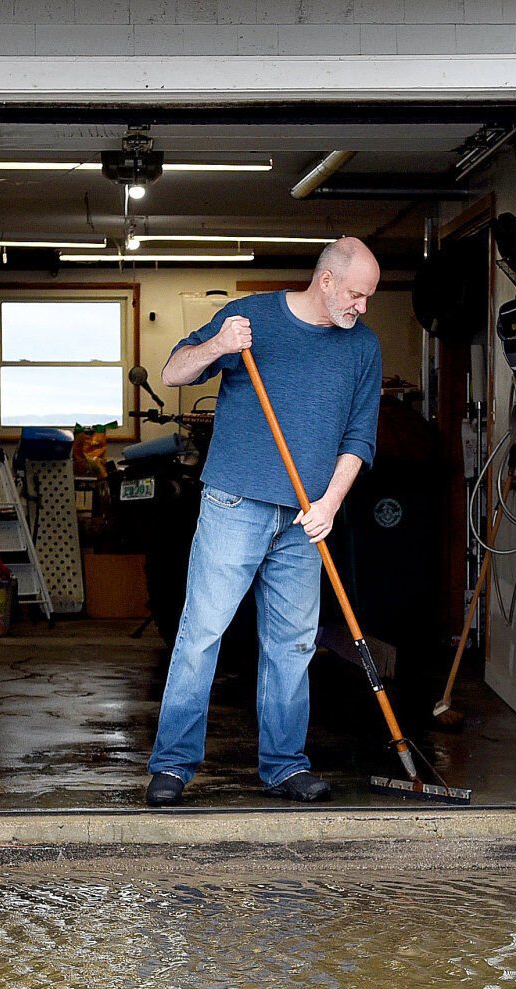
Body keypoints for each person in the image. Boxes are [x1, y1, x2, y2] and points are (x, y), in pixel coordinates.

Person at [145, 237, 383, 807]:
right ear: (325, 281)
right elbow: (174, 372)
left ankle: (284, 766)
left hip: (307, 517)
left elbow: (360, 437)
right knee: (202, 634)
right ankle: (173, 766)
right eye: (356, 294)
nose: (362, 307)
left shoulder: (363, 347)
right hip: (235, 503)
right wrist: (217, 344)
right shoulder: (249, 317)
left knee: (293, 645)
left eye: (369, 297)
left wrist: (328, 504)